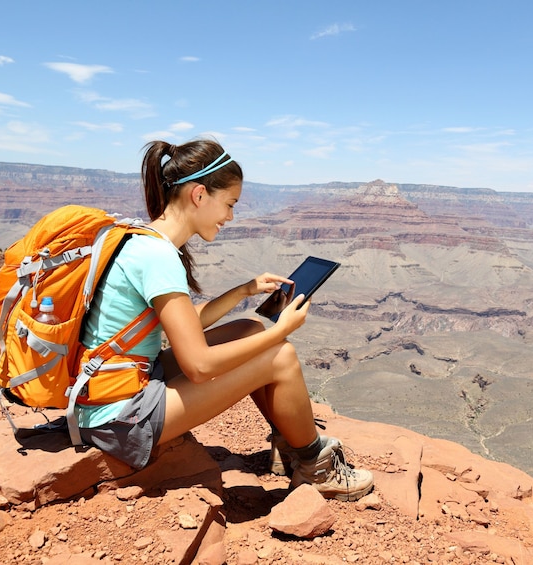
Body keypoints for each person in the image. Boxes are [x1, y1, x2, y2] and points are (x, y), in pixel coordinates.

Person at [74, 138, 373, 502]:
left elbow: (184, 323)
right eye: (229, 204)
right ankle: (316, 467)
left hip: (116, 387)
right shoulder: (158, 257)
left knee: (248, 328)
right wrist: (282, 330)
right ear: (199, 195)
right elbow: (199, 366)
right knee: (280, 355)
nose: (230, 217)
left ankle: (289, 443)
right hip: (120, 417)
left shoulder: (144, 239)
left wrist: (244, 291)